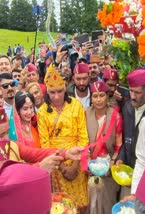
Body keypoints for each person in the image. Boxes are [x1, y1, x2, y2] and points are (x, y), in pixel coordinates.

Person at [37, 65, 89, 212]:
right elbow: (45, 144)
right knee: (62, 206)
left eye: (60, 91)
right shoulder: (42, 113)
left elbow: (83, 136)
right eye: (52, 92)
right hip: (56, 164)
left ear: (65, 87)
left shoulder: (76, 105)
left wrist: (74, 166)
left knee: (81, 204)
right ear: (47, 91)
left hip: (77, 161)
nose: (57, 96)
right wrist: (63, 166)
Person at [116, 68, 145, 197]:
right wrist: (121, 157)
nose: (133, 96)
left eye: (137, 93)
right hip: (128, 173)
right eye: (131, 91)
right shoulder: (127, 107)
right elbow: (125, 138)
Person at [85, 81, 122, 213]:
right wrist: (88, 162)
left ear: (107, 96)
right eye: (95, 96)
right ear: (91, 98)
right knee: (91, 206)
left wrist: (111, 164)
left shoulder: (115, 116)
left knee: (106, 206)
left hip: (108, 171)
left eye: (102, 95)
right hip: (89, 169)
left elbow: (119, 145)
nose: (99, 100)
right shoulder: (85, 114)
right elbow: (83, 141)